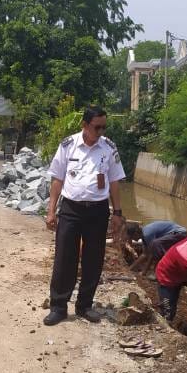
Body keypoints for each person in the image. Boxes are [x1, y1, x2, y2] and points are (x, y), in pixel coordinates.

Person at [43, 106, 126, 326]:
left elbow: (115, 181)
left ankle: (84, 306)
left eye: (103, 127)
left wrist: (117, 212)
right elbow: (57, 179)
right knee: (64, 258)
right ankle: (58, 307)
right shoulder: (68, 145)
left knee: (93, 259)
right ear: (84, 125)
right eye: (96, 127)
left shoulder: (108, 148)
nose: (100, 131)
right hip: (71, 209)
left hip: (98, 211)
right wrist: (51, 210)